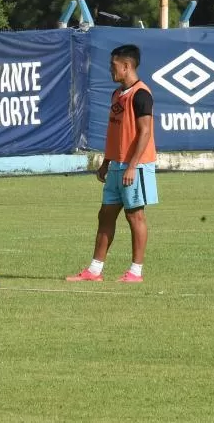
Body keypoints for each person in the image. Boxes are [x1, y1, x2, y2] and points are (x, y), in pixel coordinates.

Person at [67, 44, 158, 283]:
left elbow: (145, 133)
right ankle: (94, 271)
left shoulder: (141, 94)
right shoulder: (117, 94)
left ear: (126, 66)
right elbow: (115, 132)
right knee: (105, 214)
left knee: (135, 216)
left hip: (134, 167)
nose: (110, 69)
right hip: (116, 165)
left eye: (113, 65)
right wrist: (106, 162)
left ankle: (136, 272)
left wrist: (131, 166)